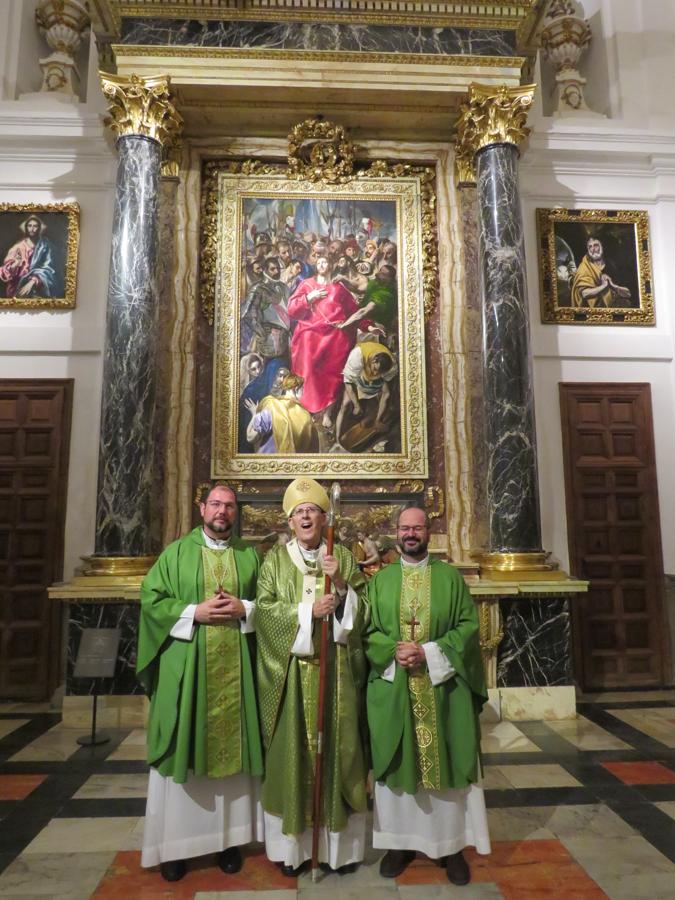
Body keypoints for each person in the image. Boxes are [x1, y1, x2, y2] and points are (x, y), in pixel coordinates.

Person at [137, 484, 264, 882]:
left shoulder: (249, 555)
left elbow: (271, 603)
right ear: (201, 509)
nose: (222, 511)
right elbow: (151, 601)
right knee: (185, 754)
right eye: (215, 504)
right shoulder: (176, 553)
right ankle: (175, 848)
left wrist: (247, 609)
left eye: (229, 505)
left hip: (238, 673)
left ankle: (228, 842)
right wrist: (194, 612)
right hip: (190, 674)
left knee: (231, 765)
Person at [365, 504, 490, 886]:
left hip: (443, 690)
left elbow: (469, 628)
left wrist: (429, 653)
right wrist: (393, 650)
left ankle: (451, 847)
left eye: (417, 528)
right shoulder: (380, 580)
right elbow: (367, 631)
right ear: (396, 531)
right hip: (396, 688)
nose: (410, 534)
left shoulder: (450, 578)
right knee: (398, 763)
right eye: (404, 528)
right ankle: (398, 844)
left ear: (428, 532)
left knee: (449, 767)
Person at [255, 477, 369, 875]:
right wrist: (307, 615)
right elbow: (265, 614)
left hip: (335, 676)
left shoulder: (344, 558)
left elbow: (364, 613)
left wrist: (339, 585)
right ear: (289, 522)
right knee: (293, 759)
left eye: (313, 511)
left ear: (324, 519)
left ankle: (339, 851)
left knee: (340, 754)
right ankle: (295, 851)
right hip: (292, 677)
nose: (306, 516)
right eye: (298, 512)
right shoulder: (274, 561)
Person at [287, 254, 367, 428]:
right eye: (319, 262)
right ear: (316, 266)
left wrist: (368, 325)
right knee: (309, 366)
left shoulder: (338, 287)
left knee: (333, 372)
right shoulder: (307, 284)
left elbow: (354, 309)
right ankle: (306, 408)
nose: (322, 264)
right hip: (310, 333)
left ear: (331, 265)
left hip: (335, 335)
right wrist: (309, 298)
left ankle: (328, 412)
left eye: (325, 262)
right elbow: (291, 309)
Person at [244, 372, 319, 453]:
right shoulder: (306, 416)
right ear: (296, 389)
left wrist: (254, 414)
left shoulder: (272, 407)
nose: (303, 393)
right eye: (302, 389)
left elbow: (250, 437)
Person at [0, 214, 58, 298]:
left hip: (39, 287)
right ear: (26, 228)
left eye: (35, 226)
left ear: (39, 228)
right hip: (18, 288)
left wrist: (33, 281)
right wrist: (15, 264)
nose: (32, 229)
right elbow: (4, 273)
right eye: (30, 226)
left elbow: (49, 269)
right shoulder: (18, 247)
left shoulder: (46, 246)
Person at [571, 236, 631, 308]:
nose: (593, 249)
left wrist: (613, 286)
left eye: (596, 245)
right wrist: (604, 286)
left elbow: (628, 293)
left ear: (602, 246)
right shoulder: (584, 267)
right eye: (590, 247)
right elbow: (584, 293)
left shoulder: (612, 265)